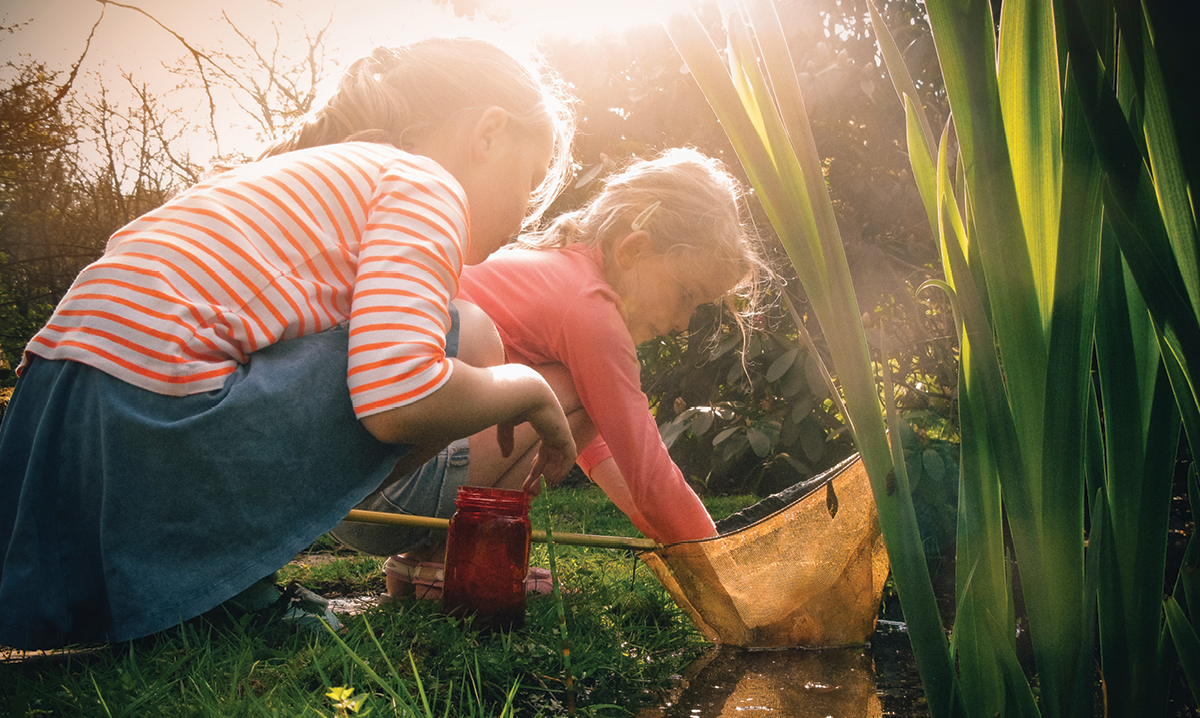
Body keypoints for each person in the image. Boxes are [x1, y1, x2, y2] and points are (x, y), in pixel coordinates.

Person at [0, 37, 579, 650]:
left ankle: (215, 587)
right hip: (151, 418)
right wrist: (528, 388)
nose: (526, 216)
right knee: (460, 330)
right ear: (487, 134)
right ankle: (231, 590)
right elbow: (399, 398)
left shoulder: (305, 176)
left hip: (49, 428)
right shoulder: (425, 181)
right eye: (531, 180)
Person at [332, 148, 766, 600]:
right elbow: (648, 470)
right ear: (634, 249)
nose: (682, 321)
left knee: (570, 393)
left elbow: (604, 454)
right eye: (687, 295)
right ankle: (451, 560)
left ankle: (428, 563)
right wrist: (725, 572)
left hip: (350, 490)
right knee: (572, 388)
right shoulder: (590, 310)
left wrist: (669, 534)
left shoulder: (556, 273)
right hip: (388, 490)